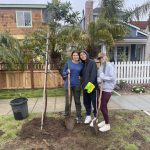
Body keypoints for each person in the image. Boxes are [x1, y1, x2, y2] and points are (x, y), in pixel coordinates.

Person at [63, 51, 83, 123]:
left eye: (77, 55)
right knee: (68, 101)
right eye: (74, 55)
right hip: (68, 84)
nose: (75, 56)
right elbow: (63, 72)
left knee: (77, 101)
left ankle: (79, 116)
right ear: (72, 56)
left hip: (77, 85)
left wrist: (81, 77)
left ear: (79, 56)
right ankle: (66, 115)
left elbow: (82, 74)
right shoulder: (68, 63)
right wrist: (66, 72)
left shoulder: (81, 64)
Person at [97, 52, 116, 132]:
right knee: (103, 106)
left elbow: (112, 78)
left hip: (107, 89)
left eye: (102, 57)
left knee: (102, 106)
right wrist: (99, 79)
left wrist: (103, 77)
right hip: (102, 88)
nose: (101, 59)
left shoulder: (109, 65)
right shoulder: (101, 66)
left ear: (105, 57)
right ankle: (105, 121)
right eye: (100, 58)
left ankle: (107, 125)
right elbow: (99, 77)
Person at [79, 50, 98, 125]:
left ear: (86, 54)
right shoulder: (82, 64)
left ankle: (96, 116)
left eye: (83, 54)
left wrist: (88, 87)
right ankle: (88, 115)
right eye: (81, 55)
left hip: (92, 87)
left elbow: (93, 76)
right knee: (86, 102)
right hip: (84, 87)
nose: (82, 56)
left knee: (94, 102)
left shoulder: (92, 62)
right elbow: (81, 74)